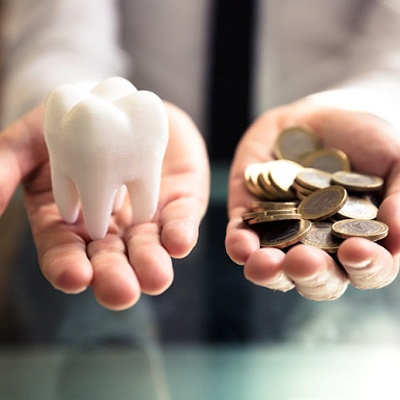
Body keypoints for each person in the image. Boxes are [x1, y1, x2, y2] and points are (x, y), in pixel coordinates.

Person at [1, 0, 400, 341]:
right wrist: (68, 106)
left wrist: (368, 107)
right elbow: (57, 33)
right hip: (137, 129)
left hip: (314, 131)